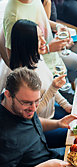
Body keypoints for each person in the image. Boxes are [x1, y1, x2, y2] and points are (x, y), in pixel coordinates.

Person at [0, 67, 77, 167]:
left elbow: (33, 122)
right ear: (8, 94)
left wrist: (58, 123)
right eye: (27, 103)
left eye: (36, 101)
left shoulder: (21, 107)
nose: (34, 108)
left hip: (48, 160)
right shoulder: (4, 136)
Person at [9, 19, 72, 147]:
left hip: (52, 111)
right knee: (75, 133)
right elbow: (34, 113)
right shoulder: (23, 78)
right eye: (39, 39)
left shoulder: (36, 57)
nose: (44, 42)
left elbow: (51, 85)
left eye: (42, 36)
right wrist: (53, 88)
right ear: (27, 43)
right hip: (40, 127)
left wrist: (67, 106)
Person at [3, 0, 77, 97]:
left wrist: (58, 26)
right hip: (44, 68)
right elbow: (15, 59)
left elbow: (42, 21)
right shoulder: (13, 14)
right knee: (71, 97)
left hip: (53, 55)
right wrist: (48, 48)